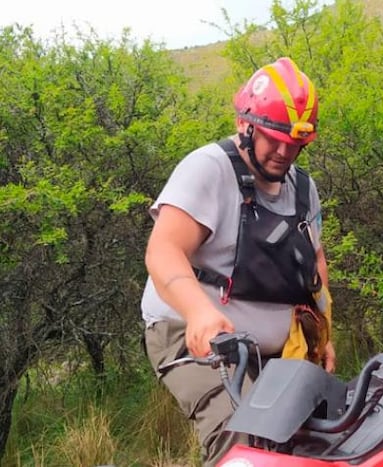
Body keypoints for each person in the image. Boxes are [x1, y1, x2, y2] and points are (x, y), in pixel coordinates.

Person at [141, 57, 335, 466]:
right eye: (273, 137)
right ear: (246, 124)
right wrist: (198, 313)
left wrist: (324, 336)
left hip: (283, 348)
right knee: (245, 444)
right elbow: (162, 251)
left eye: (297, 142)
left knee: (327, 437)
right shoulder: (208, 168)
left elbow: (315, 262)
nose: (285, 151)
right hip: (193, 333)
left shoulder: (303, 188)